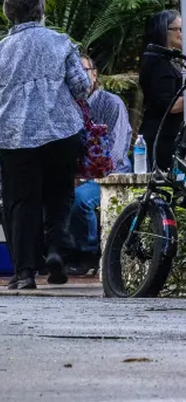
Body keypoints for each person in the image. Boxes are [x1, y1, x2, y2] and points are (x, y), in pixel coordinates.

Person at [0, 0, 90, 291]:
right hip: (61, 132)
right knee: (59, 194)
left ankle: (25, 272)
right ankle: (56, 250)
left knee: (21, 202)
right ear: (40, 11)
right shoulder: (60, 41)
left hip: (16, 138)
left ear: (9, 14)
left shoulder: (0, 50)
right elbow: (82, 86)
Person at [66, 54, 131, 275]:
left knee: (80, 199)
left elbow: (116, 150)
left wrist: (85, 177)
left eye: (83, 71)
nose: (77, 77)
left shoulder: (112, 103)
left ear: (95, 75)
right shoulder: (68, 107)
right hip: (76, 175)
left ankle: (89, 253)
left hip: (110, 174)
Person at [137, 10, 183, 171]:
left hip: (169, 136)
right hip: (162, 138)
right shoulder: (158, 62)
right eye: (179, 29)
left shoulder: (167, 60)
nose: (182, 34)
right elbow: (170, 105)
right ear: (164, 31)